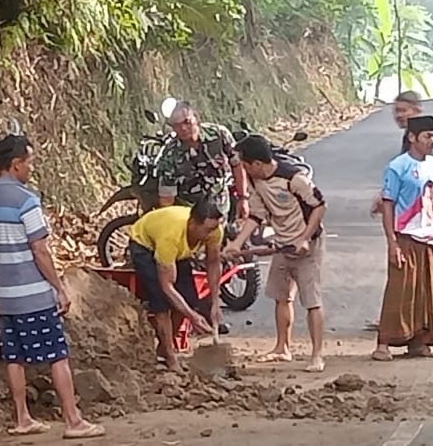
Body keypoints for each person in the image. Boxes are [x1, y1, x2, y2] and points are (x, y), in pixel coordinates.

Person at [0, 134, 104, 439]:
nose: (31, 168)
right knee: (57, 355)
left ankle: (23, 418)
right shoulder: (26, 201)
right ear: (16, 164)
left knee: (14, 357)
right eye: (29, 162)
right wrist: (58, 287)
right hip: (32, 294)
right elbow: (40, 250)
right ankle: (73, 420)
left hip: (4, 294)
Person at [223, 135, 327, 372]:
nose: (244, 170)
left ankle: (317, 355)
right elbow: (256, 217)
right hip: (281, 245)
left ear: (258, 163)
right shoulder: (255, 181)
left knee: (312, 300)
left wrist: (304, 239)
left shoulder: (294, 179)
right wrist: (237, 243)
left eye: (247, 165)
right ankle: (283, 347)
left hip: (307, 245)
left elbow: (320, 207)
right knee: (281, 296)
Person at [366, 91, 433, 332]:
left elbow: (424, 179)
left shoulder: (424, 140)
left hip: (425, 218)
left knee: (431, 271)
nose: (398, 115)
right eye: (396, 111)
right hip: (418, 218)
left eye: (403, 110)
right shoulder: (410, 143)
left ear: (416, 110)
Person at [128, 198, 223, 372]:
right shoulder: (171, 235)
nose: (212, 234)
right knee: (161, 302)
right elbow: (167, 287)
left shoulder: (214, 230)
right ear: (193, 224)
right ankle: (170, 358)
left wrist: (215, 302)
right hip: (145, 245)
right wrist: (193, 317)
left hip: (178, 253)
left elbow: (213, 262)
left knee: (189, 298)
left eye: (215, 229)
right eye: (208, 230)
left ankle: (164, 349)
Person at [157, 100, 249, 221]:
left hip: (221, 207)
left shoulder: (219, 134)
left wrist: (243, 198)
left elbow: (237, 165)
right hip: (190, 214)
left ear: (196, 117)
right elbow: (167, 197)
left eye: (187, 122)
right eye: (177, 125)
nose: (183, 128)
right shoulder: (170, 155)